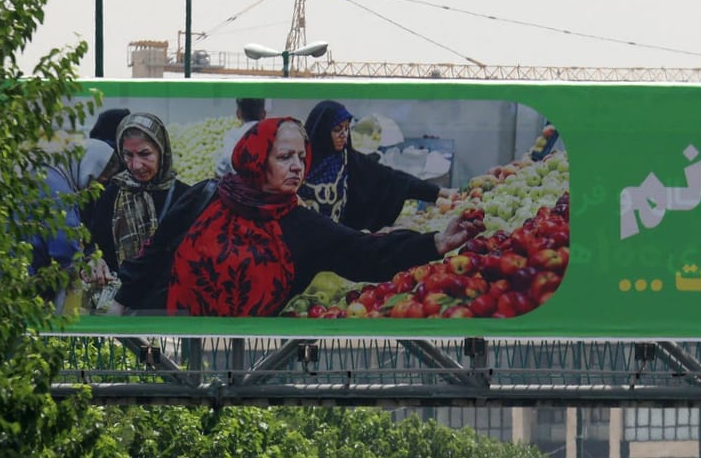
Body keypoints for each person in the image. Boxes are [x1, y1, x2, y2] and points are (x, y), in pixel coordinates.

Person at [113, 117, 482, 317]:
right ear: (257, 158)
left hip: (238, 362)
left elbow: (366, 253)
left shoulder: (302, 227)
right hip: (164, 343)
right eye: (284, 157)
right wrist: (114, 312)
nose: (297, 167)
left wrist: (434, 242)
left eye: (301, 158)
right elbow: (154, 252)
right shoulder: (206, 197)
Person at [299, 100, 445, 232]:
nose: (343, 135)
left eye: (346, 128)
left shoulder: (349, 161)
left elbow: (394, 179)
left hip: (338, 243)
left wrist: (437, 192)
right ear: (322, 131)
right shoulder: (299, 162)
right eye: (337, 129)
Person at [83, 111, 187, 275]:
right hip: (119, 296)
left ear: (162, 150)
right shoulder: (111, 192)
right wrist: (94, 260)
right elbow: (93, 243)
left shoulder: (184, 197)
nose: (136, 165)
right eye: (128, 155)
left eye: (145, 154)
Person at [214, 98, 270, 178]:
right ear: (264, 114)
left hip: (240, 186)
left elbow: (226, 159)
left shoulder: (233, 135)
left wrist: (218, 173)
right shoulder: (274, 133)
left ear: (238, 114)